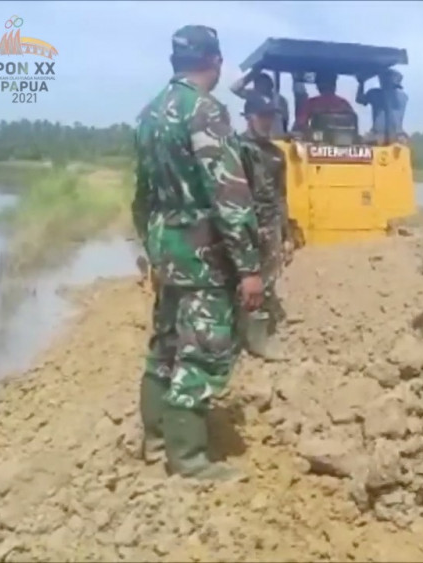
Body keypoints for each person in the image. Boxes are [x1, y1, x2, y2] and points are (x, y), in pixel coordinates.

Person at [132, 24, 264, 481]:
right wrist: (248, 267)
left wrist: (153, 250)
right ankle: (187, 459)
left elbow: (142, 198)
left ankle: (155, 440)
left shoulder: (150, 114)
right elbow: (229, 194)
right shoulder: (204, 110)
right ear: (215, 61)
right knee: (203, 351)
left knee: (165, 346)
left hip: (167, 249)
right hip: (204, 255)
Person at [238, 93, 294, 361]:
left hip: (270, 225)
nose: (268, 122)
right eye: (263, 116)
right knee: (240, 280)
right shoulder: (236, 150)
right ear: (249, 117)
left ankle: (259, 338)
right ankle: (238, 334)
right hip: (241, 226)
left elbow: (281, 197)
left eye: (271, 117)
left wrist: (286, 234)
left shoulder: (276, 155)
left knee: (267, 282)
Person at [231, 69, 292, 136]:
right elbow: (234, 88)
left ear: (270, 85)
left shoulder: (280, 100)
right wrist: (252, 74)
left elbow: (285, 120)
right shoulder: (252, 95)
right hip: (254, 135)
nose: (258, 86)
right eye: (257, 83)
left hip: (275, 135)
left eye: (262, 83)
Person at [356, 69, 408, 144]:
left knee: (359, 144)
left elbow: (359, 99)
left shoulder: (375, 94)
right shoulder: (403, 96)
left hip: (378, 135)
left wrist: (361, 82)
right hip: (398, 136)